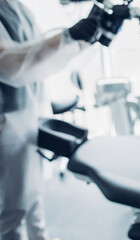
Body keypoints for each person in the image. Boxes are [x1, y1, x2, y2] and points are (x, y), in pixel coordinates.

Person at [0, 0, 101, 239]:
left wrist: (80, 39)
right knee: (12, 208)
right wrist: (68, 37)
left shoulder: (15, 7)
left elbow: (39, 54)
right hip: (6, 122)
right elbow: (10, 65)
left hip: (29, 112)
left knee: (33, 195)